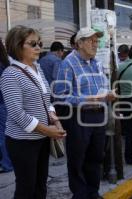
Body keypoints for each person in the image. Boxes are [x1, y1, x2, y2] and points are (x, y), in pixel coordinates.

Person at [0, 25, 66, 199]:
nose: (39, 47)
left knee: (40, 185)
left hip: (42, 139)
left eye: (39, 43)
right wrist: (47, 130)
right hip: (22, 142)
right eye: (33, 44)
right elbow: (17, 113)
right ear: (17, 45)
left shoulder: (37, 68)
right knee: (26, 188)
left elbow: (47, 100)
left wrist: (54, 119)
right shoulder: (10, 74)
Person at [54, 27, 115, 199]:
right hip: (78, 117)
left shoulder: (96, 63)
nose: (95, 44)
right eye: (91, 41)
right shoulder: (68, 63)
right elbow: (60, 97)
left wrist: (109, 94)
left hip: (98, 115)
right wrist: (88, 99)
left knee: (96, 157)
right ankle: (80, 195)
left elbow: (102, 88)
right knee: (77, 159)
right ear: (79, 43)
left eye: (97, 41)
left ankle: (93, 193)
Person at [0, 38, 13, 174]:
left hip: (1, 103)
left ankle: (7, 164)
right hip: (4, 102)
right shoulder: (5, 61)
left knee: (2, 135)